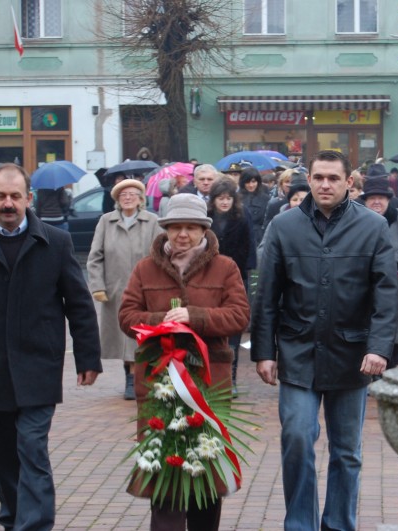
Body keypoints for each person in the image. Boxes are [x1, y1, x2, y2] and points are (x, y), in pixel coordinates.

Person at [0, 163, 102, 531]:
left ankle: (34, 525)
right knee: (4, 456)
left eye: (15, 196)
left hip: (38, 365)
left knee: (32, 449)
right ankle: (14, 518)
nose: (8, 203)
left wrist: (88, 357)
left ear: (29, 198)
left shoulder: (55, 243)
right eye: (0, 196)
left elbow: (78, 304)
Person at [251, 149, 398, 530]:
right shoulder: (284, 228)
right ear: (309, 180)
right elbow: (267, 295)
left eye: (333, 178)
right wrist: (264, 352)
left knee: (347, 451)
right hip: (298, 352)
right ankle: (300, 524)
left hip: (352, 355)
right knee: (298, 437)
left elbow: (386, 294)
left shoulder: (373, 227)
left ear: (349, 182)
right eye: (318, 178)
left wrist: (379, 347)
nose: (325, 184)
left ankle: (338, 524)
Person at [118, 193, 250, 530]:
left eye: (191, 227)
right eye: (176, 227)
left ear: (204, 230)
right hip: (159, 384)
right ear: (165, 229)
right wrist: (166, 320)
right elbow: (127, 316)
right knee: (164, 468)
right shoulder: (145, 269)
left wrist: (196, 317)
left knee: (205, 469)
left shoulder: (225, 267)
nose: (183, 234)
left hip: (208, 387)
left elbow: (239, 316)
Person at [87, 178, 163, 400]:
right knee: (124, 337)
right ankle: (131, 378)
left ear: (141, 199)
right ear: (117, 200)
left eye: (132, 194)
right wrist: (98, 286)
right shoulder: (105, 221)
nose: (128, 198)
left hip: (146, 289)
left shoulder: (152, 221)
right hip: (116, 289)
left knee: (144, 334)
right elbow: (95, 257)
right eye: (123, 195)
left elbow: (160, 255)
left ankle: (140, 376)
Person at [359, 177, 398, 369]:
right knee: (368, 320)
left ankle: (391, 367)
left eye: (381, 198)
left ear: (388, 199)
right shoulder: (357, 219)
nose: (377, 201)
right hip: (365, 281)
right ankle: (371, 369)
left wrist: (391, 263)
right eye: (372, 198)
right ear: (365, 200)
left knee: (396, 322)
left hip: (396, 279)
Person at [207, 178, 253, 394]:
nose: (224, 202)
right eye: (220, 198)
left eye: (228, 198)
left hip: (236, 276)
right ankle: (211, 378)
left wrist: (245, 272)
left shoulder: (242, 218)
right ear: (213, 200)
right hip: (210, 278)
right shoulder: (206, 219)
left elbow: (249, 245)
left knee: (233, 328)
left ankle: (231, 379)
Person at [238, 166, 271, 245]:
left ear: (258, 182)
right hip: (240, 236)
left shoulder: (266, 198)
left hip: (260, 237)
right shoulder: (236, 198)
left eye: (253, 181)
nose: (251, 185)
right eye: (247, 182)